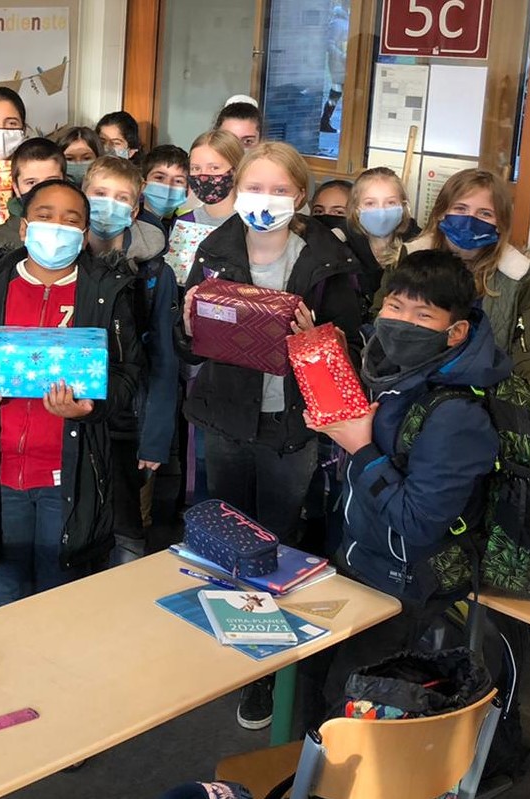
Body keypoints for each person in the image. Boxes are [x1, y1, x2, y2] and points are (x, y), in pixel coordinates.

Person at [179, 141, 363, 730]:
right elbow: (188, 345)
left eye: (279, 190)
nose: (265, 200)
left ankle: (266, 666)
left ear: (300, 196)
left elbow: (352, 351)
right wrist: (188, 322)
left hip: (292, 425)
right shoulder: (214, 250)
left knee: (278, 540)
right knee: (226, 535)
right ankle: (226, 643)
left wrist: (316, 335)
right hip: (228, 417)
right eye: (254, 187)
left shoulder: (327, 260)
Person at [309, 248, 509, 706]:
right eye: (395, 307)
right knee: (317, 680)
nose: (402, 322)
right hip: (361, 558)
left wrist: (359, 448)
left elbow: (418, 522)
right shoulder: (391, 371)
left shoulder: (457, 414)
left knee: (348, 702)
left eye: (423, 315)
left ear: (456, 332)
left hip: (405, 581)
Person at [0, 178, 144, 607]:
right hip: (0, 469)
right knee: (4, 590)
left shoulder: (106, 291)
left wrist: (91, 408)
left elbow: (128, 373)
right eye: (45, 216)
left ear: (84, 235)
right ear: (24, 226)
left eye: (71, 221)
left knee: (60, 595)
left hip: (68, 471)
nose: (57, 228)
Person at [376, 168, 530, 397]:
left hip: (481, 393)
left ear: (500, 224)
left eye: (485, 213)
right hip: (407, 386)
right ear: (441, 212)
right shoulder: (408, 261)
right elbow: (380, 326)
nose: (470, 220)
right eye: (460, 209)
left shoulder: (517, 278)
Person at [82, 157, 178, 562]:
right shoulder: (65, 259)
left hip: (131, 420)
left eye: (121, 198)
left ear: (136, 209)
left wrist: (155, 437)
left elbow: (164, 358)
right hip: (73, 412)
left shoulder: (155, 272)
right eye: (100, 194)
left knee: (128, 526)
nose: (109, 205)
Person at [343, 167, 418, 300]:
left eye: (390, 202)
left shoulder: (418, 248)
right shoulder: (343, 248)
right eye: (370, 203)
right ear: (356, 209)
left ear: (403, 206)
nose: (381, 212)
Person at [0, 136, 67, 250]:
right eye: (31, 182)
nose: (41, 190)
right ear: (16, 188)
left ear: (65, 182)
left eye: (51, 181)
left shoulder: (75, 231)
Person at [179, 129, 245, 226]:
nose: (203, 175)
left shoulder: (251, 226)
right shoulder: (182, 224)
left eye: (214, 168)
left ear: (236, 170)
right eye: (196, 168)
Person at [139, 144, 190, 236]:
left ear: (187, 189)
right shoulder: (127, 221)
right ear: (143, 183)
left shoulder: (187, 224)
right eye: (159, 177)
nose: (168, 185)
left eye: (178, 181)